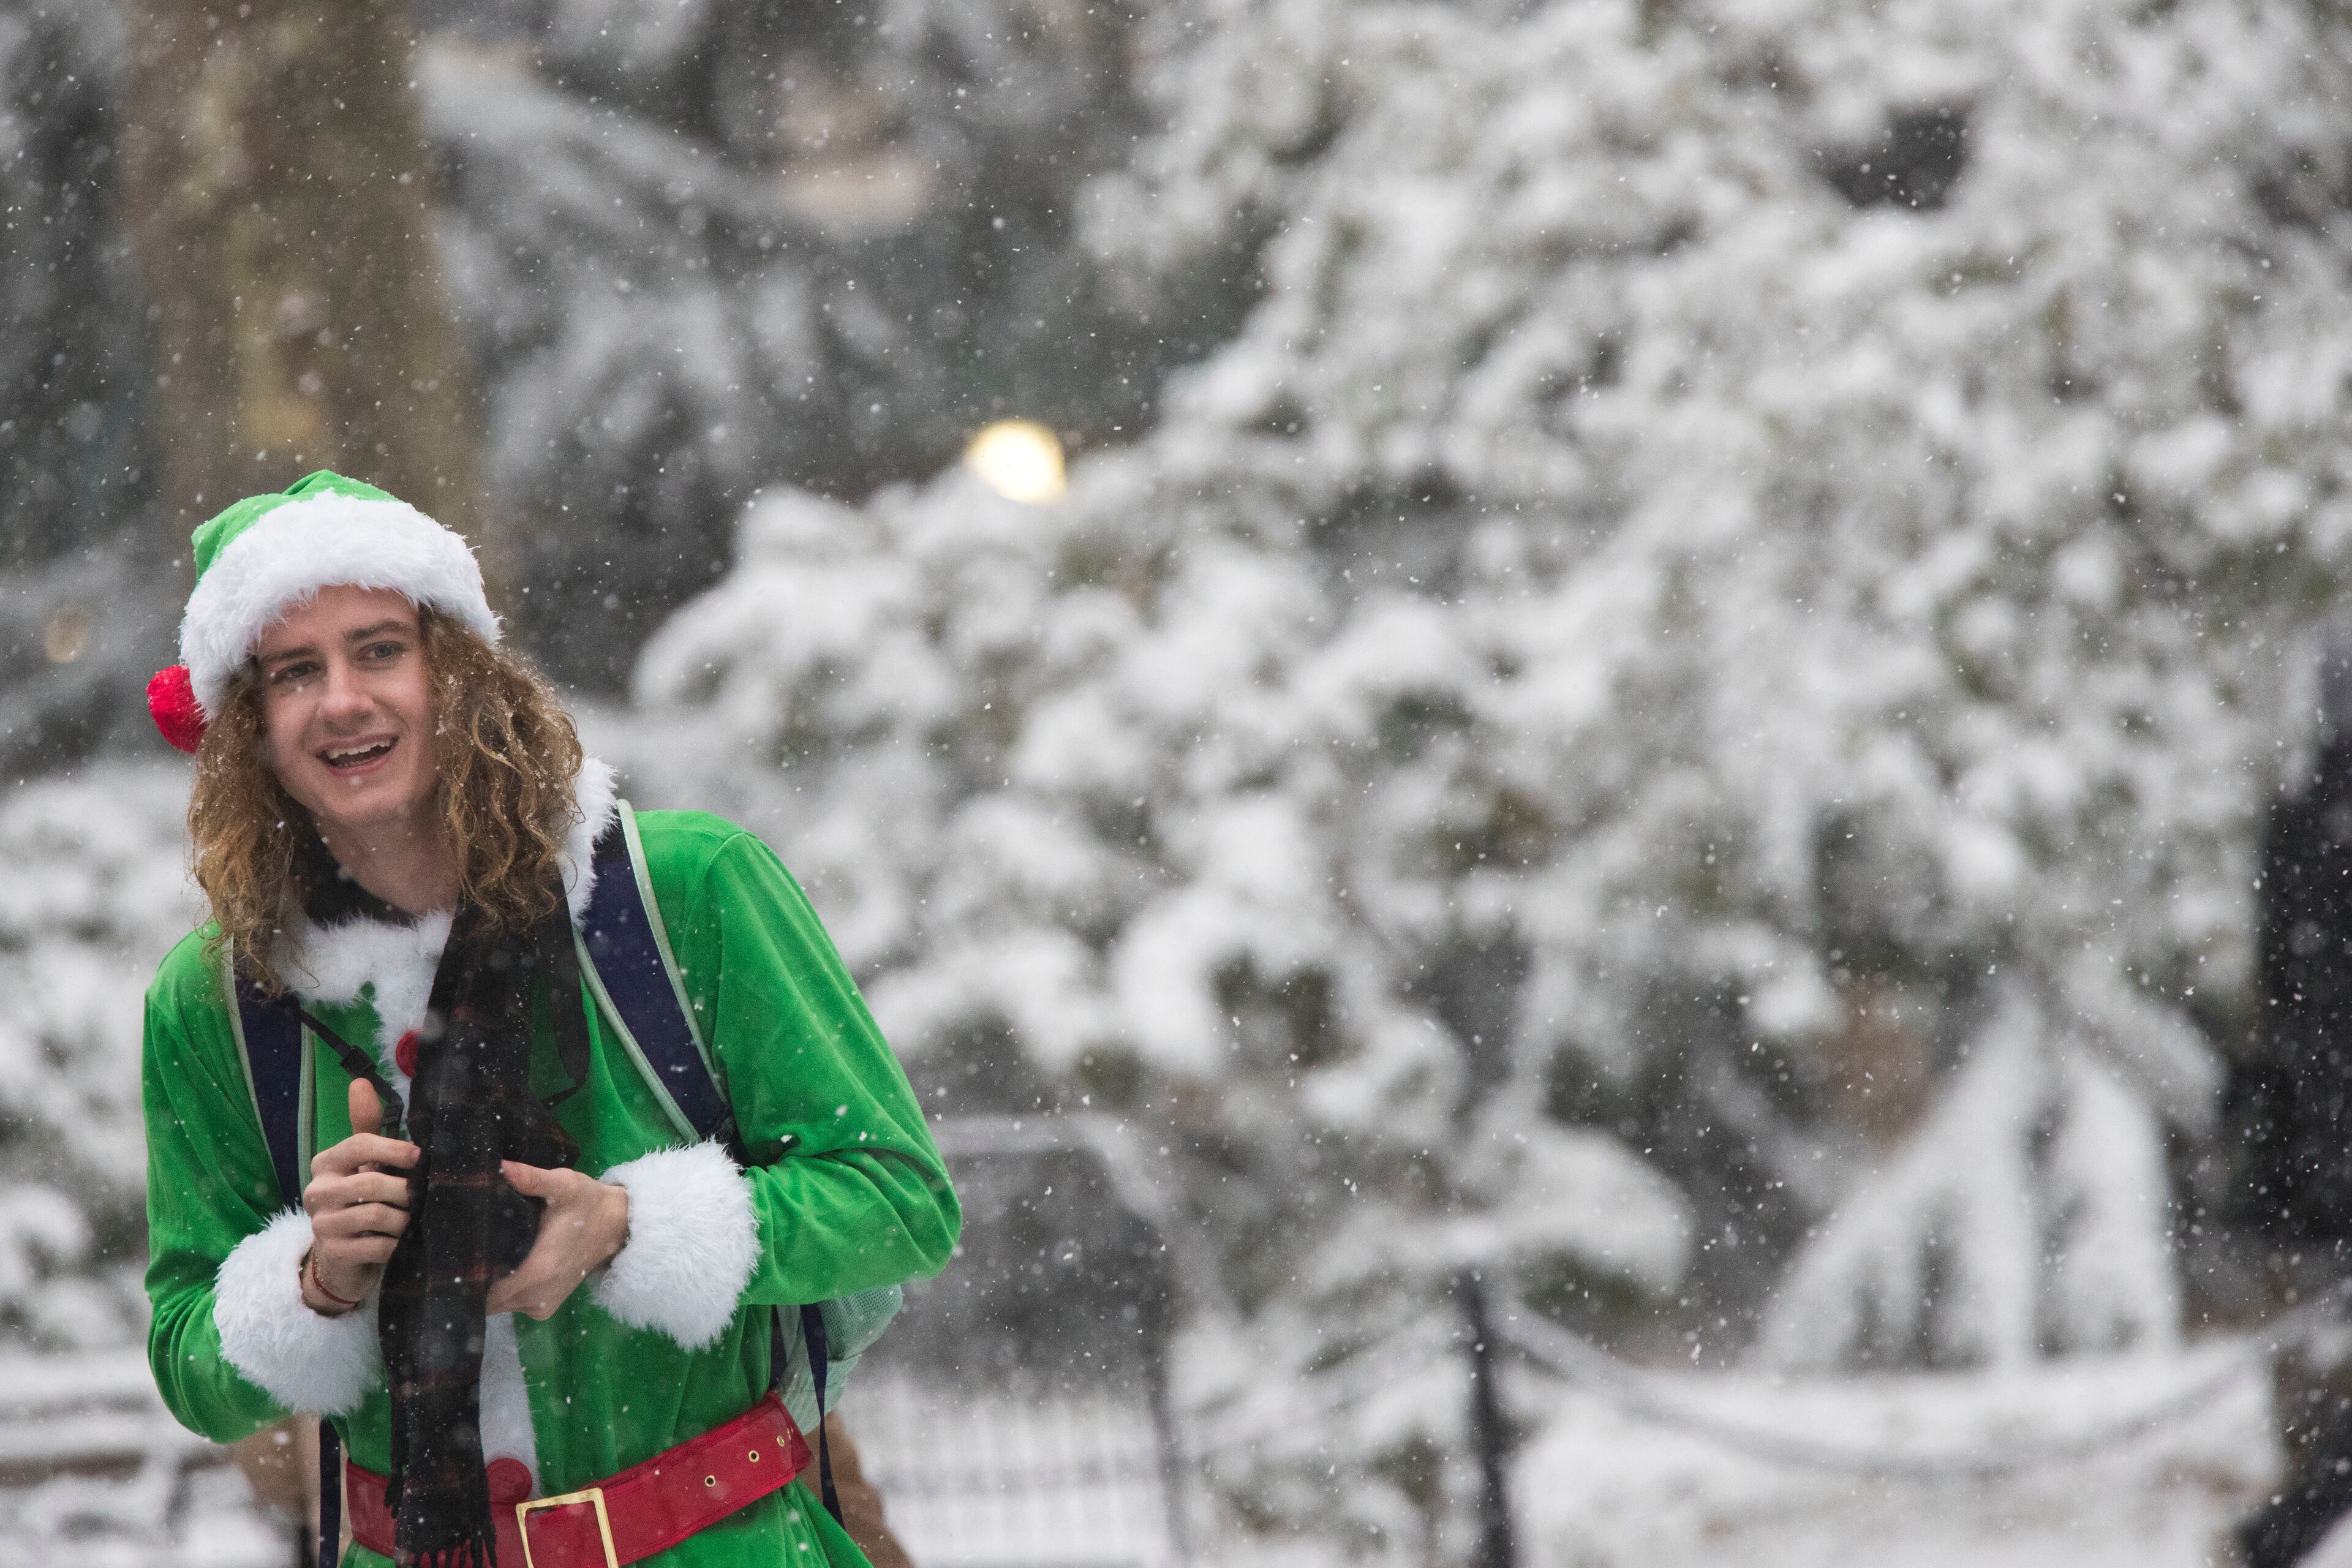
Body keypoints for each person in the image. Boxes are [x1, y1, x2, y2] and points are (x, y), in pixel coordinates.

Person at [140, 471, 959, 1567]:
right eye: (295, 672)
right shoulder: (217, 1002)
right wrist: (312, 1282)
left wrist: (629, 1225)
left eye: (380, 648)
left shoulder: (687, 890)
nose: (342, 699)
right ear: (248, 727)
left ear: (457, 673)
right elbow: (188, 1360)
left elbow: (901, 1201)